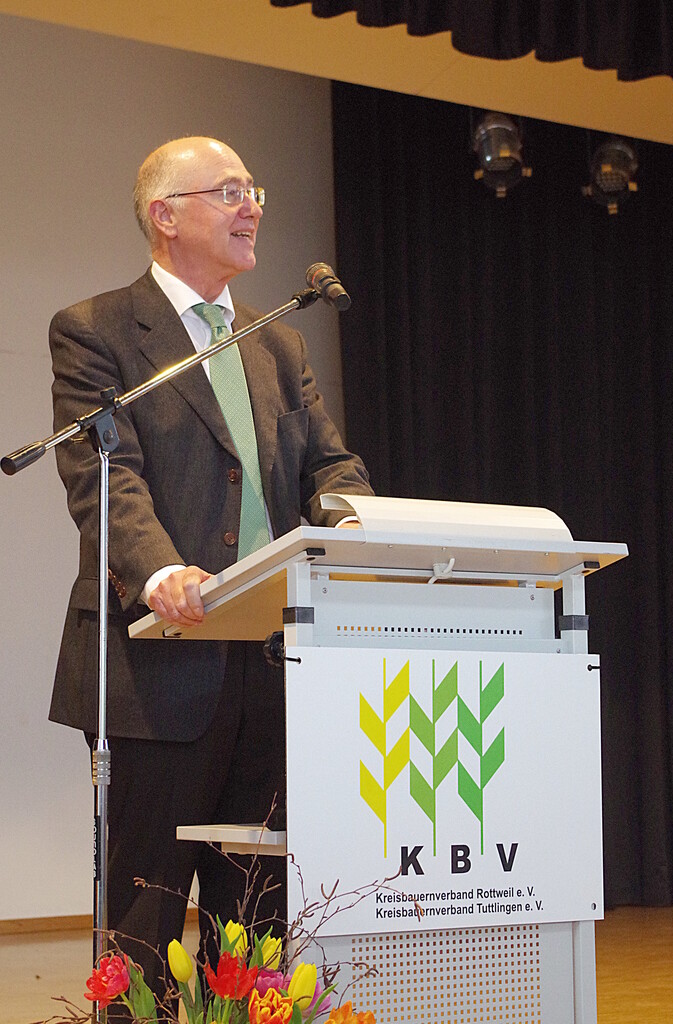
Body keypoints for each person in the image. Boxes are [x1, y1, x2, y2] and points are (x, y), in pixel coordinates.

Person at [48, 136, 372, 1007]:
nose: (251, 205)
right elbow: (105, 476)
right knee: (145, 913)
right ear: (165, 215)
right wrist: (159, 571)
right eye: (228, 191)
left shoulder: (277, 345)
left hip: (272, 662)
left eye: (253, 189)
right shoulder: (97, 330)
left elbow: (330, 466)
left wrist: (354, 522)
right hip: (158, 657)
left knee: (256, 914)